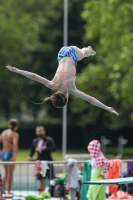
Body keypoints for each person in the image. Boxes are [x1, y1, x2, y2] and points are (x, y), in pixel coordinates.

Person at [6, 45, 119, 116]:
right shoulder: (52, 85)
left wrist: (106, 108)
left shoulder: (72, 89)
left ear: (67, 98)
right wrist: (16, 70)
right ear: (55, 95)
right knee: (81, 54)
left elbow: (90, 99)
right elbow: (34, 76)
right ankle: (87, 51)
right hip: (62, 53)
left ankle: (89, 51)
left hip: (74, 54)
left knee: (84, 53)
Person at [27, 125, 56, 190]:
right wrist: (30, 156)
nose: (39, 133)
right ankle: (42, 192)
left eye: (41, 131)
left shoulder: (49, 140)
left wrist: (44, 148)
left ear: (44, 131)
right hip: (40, 162)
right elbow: (32, 150)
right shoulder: (35, 141)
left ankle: (52, 192)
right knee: (40, 178)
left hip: (48, 161)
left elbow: (54, 148)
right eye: (38, 131)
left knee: (51, 177)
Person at [0, 119, 19, 194]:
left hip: (3, 153)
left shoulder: (4, 132)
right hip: (10, 154)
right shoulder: (14, 134)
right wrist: (14, 156)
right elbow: (15, 145)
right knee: (10, 173)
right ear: (16, 126)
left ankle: (3, 190)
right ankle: (9, 191)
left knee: (6, 172)